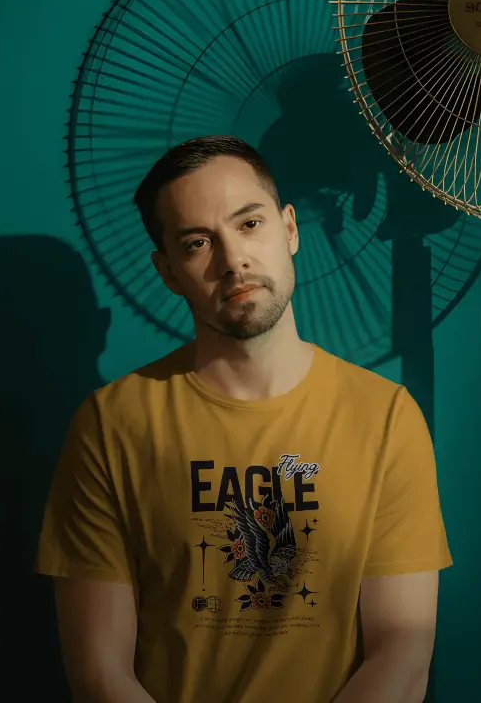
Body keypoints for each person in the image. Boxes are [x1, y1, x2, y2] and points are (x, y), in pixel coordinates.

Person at [35, 134, 453, 703]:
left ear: (289, 229)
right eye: (198, 242)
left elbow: (403, 651)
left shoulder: (384, 418)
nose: (234, 261)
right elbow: (99, 671)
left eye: (249, 224)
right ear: (168, 273)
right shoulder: (112, 426)